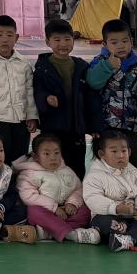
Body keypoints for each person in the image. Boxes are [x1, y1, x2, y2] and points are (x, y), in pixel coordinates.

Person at [82, 130, 137, 252]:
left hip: (133, 217)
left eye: (124, 151)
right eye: (114, 151)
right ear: (102, 154)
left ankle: (128, 239)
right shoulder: (95, 175)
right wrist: (116, 208)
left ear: (129, 152)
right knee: (104, 222)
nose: (120, 155)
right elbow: (92, 199)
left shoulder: (132, 171)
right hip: (110, 216)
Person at [13, 133, 96, 244]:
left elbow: (78, 188)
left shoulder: (67, 170)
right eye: (46, 154)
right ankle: (70, 234)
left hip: (65, 211)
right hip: (46, 211)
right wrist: (54, 208)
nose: (53, 157)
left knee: (85, 212)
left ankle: (49, 232)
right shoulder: (28, 174)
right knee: (32, 211)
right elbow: (28, 197)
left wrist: (72, 203)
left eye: (56, 153)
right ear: (36, 156)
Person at [0, 15, 38, 162]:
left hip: (21, 122)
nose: (5, 39)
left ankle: (17, 178)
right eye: (0, 35)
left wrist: (32, 116)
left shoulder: (24, 63)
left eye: (9, 35)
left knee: (20, 160)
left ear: (16, 38)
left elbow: (30, 92)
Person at [33, 20, 89, 177]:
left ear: (73, 40)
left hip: (76, 128)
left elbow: (89, 97)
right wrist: (46, 99)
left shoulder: (81, 66)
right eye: (57, 40)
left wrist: (92, 125)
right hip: (53, 127)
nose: (63, 44)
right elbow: (37, 91)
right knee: (53, 165)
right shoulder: (42, 68)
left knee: (77, 165)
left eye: (67, 39)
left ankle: (76, 191)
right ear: (48, 42)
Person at [85, 21, 137, 153]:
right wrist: (108, 66)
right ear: (105, 44)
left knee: (132, 158)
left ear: (131, 41)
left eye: (124, 41)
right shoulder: (99, 62)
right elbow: (93, 83)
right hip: (106, 126)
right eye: (114, 42)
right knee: (106, 160)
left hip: (131, 126)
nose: (120, 46)